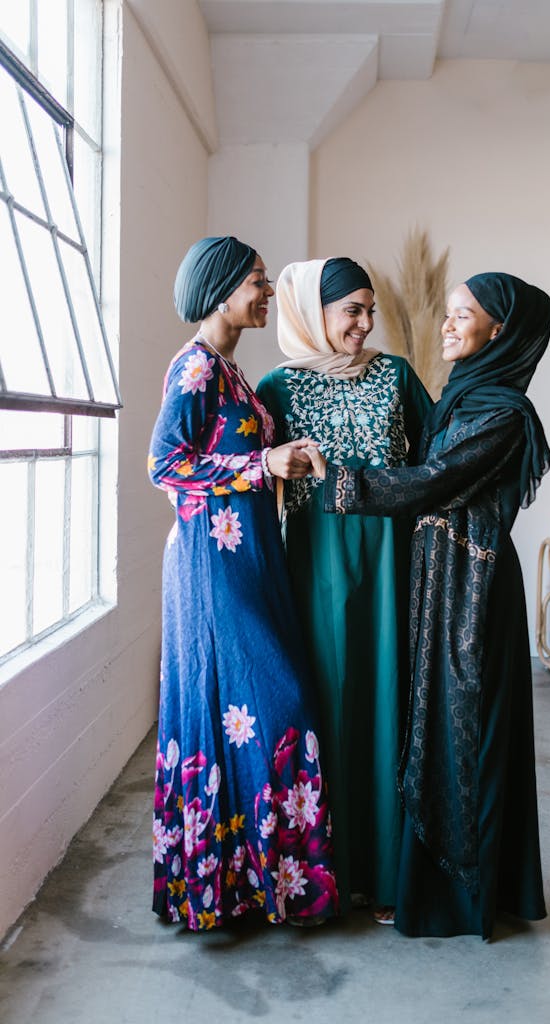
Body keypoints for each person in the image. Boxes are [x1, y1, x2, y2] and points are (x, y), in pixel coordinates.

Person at [318, 271, 550, 939]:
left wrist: (334, 481)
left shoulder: (503, 413)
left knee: (463, 730)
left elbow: (432, 482)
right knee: (432, 728)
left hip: (470, 595)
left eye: (462, 316)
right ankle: (432, 883)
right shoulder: (461, 397)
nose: (447, 326)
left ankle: (461, 898)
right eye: (447, 314)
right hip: (437, 581)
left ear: (499, 332)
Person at [148, 235, 338, 931]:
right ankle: (254, 885)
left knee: (250, 711)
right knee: (274, 701)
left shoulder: (230, 370)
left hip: (250, 559)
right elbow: (163, 466)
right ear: (221, 288)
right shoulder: (196, 368)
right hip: (212, 564)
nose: (265, 293)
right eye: (256, 281)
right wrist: (264, 465)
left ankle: (247, 890)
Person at [257, 258, 432, 921]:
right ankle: (323, 876)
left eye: (368, 311)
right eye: (349, 310)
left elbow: (436, 460)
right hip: (314, 567)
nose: (363, 324)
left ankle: (389, 877)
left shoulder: (394, 376)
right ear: (312, 312)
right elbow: (248, 474)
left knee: (388, 701)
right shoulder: (276, 389)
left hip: (390, 562)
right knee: (325, 705)